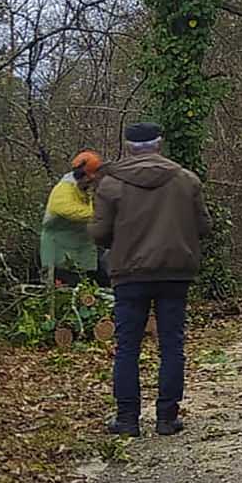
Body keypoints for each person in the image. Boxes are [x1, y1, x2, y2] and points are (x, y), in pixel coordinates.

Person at [89, 123, 209, 437]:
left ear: (128, 147)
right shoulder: (187, 180)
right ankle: (167, 418)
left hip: (129, 274)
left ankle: (127, 419)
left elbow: (100, 234)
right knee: (172, 344)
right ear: (160, 144)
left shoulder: (110, 184)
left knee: (127, 346)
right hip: (174, 272)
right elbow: (204, 226)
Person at [40, 150, 108, 287]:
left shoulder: (86, 191)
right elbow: (67, 210)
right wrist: (99, 214)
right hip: (60, 256)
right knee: (64, 297)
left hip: (84, 254)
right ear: (88, 176)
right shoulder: (64, 189)